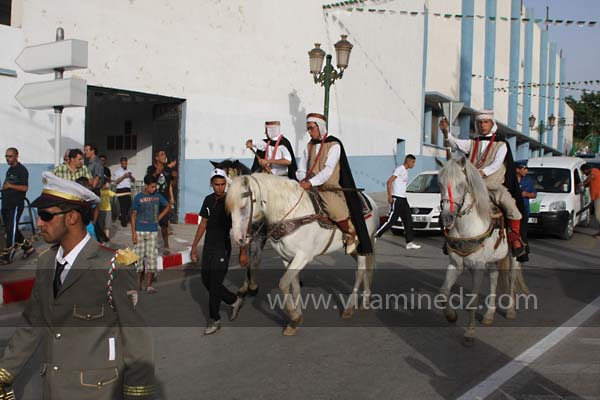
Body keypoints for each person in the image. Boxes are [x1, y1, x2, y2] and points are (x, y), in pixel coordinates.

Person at [0, 172, 155, 399]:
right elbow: (32, 323)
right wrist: (4, 373)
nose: (39, 222)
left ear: (71, 218)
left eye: (46, 215)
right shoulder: (46, 262)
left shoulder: (112, 266)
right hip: (54, 390)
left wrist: (137, 394)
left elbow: (137, 338)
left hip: (97, 393)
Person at [440, 110, 525, 257]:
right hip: (471, 187)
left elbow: (497, 164)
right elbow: (455, 143)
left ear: (492, 124)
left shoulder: (501, 144)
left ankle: (514, 238)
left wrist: (483, 172)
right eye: (480, 122)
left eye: (486, 122)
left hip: (492, 186)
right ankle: (450, 236)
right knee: (450, 202)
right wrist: (445, 131)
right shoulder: (473, 142)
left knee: (511, 206)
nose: (482, 125)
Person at [296, 113, 373, 255]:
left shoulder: (334, 144)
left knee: (333, 209)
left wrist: (311, 182)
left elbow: (328, 171)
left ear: (320, 127)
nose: (309, 132)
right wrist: (302, 179)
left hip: (327, 188)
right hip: (309, 186)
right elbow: (300, 168)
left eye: (311, 128)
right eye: (307, 129)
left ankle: (351, 232)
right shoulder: (309, 145)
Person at [190, 169, 243, 335]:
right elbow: (203, 224)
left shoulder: (231, 201)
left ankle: (214, 320)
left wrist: (243, 251)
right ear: (211, 184)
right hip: (208, 247)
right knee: (206, 280)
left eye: (222, 184)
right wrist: (193, 247)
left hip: (222, 247)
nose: (219, 188)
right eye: (216, 184)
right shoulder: (208, 200)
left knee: (214, 284)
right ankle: (233, 299)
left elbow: (239, 227)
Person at [131, 174, 170, 293]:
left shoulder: (158, 196)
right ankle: (137, 285)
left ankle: (148, 285)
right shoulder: (138, 197)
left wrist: (159, 217)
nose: (155, 189)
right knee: (138, 260)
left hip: (153, 232)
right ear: (146, 186)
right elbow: (133, 215)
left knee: (151, 259)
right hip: (139, 231)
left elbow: (168, 206)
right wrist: (133, 233)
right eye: (152, 186)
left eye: (156, 186)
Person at [375, 154, 421, 249]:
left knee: (408, 220)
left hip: (404, 199)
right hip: (397, 199)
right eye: (413, 162)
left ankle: (409, 243)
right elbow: (389, 182)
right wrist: (389, 196)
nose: (414, 164)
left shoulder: (405, 171)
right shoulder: (400, 169)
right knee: (391, 221)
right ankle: (375, 235)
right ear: (408, 161)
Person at [0, 148, 33, 264]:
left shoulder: (21, 170)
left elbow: (25, 188)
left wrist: (9, 186)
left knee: (10, 231)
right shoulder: (9, 170)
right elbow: (7, 185)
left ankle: (8, 256)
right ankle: (28, 247)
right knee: (12, 229)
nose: (8, 159)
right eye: (6, 156)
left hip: (15, 205)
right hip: (6, 204)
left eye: (10, 156)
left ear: (16, 156)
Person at [146, 150, 175, 252]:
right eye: (162, 155)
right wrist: (157, 173)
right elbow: (148, 180)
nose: (164, 156)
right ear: (157, 158)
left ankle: (166, 245)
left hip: (164, 200)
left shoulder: (168, 169)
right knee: (151, 222)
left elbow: (170, 184)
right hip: (153, 199)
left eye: (165, 154)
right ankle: (150, 244)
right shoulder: (151, 168)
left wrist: (171, 197)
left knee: (164, 224)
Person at [516, 163, 536, 261]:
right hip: (513, 209)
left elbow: (533, 194)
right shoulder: (511, 179)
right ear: (517, 169)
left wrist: (526, 194)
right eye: (524, 168)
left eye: (526, 169)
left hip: (523, 210)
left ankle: (523, 254)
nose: (526, 171)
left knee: (522, 232)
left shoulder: (527, 180)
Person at [113, 157, 136, 227]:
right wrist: (123, 176)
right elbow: (116, 182)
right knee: (123, 205)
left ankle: (124, 217)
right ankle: (123, 221)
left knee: (128, 205)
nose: (124, 164)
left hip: (127, 189)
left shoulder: (129, 170)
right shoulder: (117, 171)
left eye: (125, 163)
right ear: (121, 163)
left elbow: (133, 180)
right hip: (120, 189)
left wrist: (130, 176)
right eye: (123, 163)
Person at [582, 163, 600, 238]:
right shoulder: (593, 173)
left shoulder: (594, 171)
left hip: (599, 197)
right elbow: (591, 183)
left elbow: (590, 178)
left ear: (586, 169)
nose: (583, 173)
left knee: (598, 216)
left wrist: (583, 183)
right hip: (596, 197)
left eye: (583, 171)